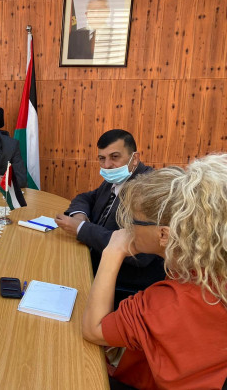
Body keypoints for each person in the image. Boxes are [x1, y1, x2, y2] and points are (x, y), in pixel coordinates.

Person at [82, 155, 227, 389]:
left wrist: (112, 252)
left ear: (163, 234)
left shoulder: (168, 302)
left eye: (133, 221)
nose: (126, 228)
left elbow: (93, 330)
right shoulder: (211, 273)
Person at [55, 129, 165, 302]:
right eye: (102, 158)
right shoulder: (116, 178)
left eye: (114, 157)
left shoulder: (150, 189)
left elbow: (140, 253)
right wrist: (79, 216)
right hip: (95, 261)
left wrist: (82, 229)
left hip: (125, 285)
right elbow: (86, 198)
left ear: (135, 158)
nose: (106, 165)